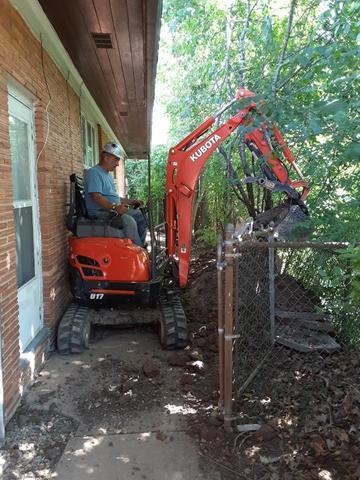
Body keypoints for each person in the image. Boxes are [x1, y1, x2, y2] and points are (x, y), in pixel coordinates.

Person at [84, 142, 147, 247]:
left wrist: (131, 201)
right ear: (106, 157)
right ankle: (137, 251)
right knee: (129, 221)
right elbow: (96, 197)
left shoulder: (108, 175)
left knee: (139, 215)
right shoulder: (94, 173)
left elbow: (115, 197)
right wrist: (114, 207)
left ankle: (140, 246)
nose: (118, 163)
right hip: (98, 212)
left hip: (109, 209)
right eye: (116, 159)